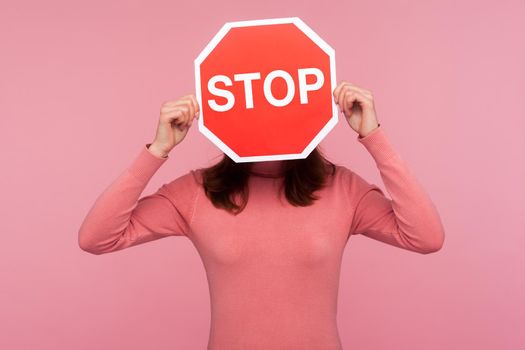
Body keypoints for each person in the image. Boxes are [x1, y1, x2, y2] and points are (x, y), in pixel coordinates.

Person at [78, 81, 445, 349]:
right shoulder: (197, 192)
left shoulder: (342, 189)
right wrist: (157, 150)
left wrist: (374, 136)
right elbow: (96, 238)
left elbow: (426, 237)